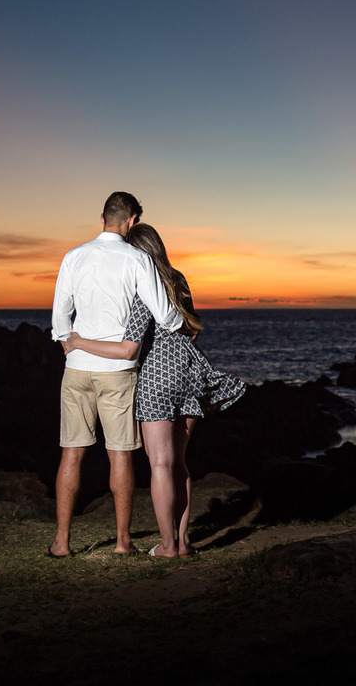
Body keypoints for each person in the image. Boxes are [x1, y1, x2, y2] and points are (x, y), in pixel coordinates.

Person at [63, 223, 245, 558]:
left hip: (156, 375)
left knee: (160, 463)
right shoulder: (178, 278)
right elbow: (191, 328)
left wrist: (77, 341)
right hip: (191, 369)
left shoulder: (141, 285)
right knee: (179, 464)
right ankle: (184, 542)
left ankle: (167, 546)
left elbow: (129, 348)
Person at [47, 193, 183, 558]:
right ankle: (123, 543)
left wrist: (68, 344)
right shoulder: (137, 259)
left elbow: (60, 315)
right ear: (133, 220)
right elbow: (165, 315)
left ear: (103, 217)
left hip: (76, 368)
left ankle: (61, 542)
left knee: (71, 455)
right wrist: (180, 322)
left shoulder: (73, 256)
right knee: (120, 456)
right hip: (118, 372)